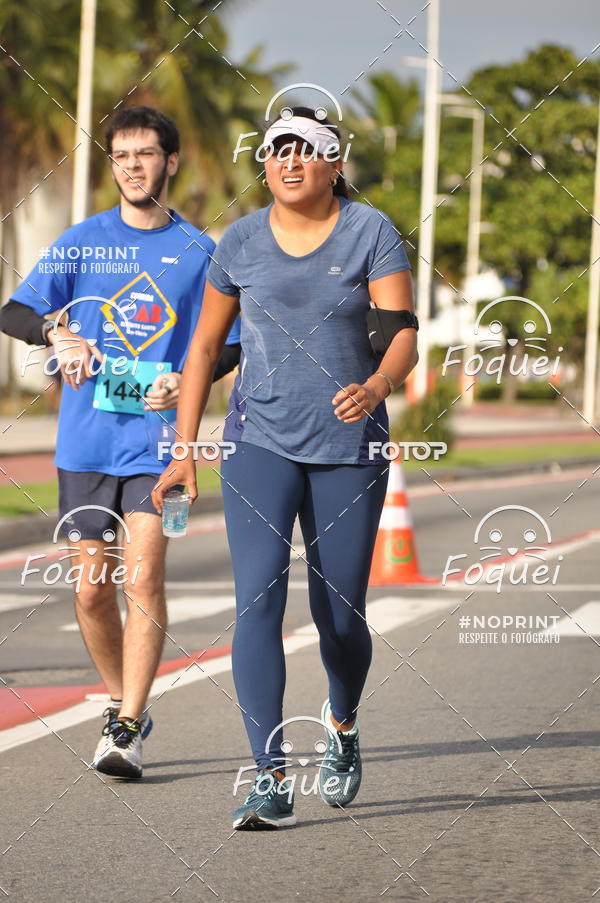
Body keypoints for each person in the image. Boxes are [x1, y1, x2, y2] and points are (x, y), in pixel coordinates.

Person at [152, 106, 418, 827]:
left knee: (338, 618)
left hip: (347, 449)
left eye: (308, 151)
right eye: (277, 152)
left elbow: (401, 337)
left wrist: (377, 385)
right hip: (257, 442)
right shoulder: (238, 241)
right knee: (257, 600)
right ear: (262, 163)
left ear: (336, 163)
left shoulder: (372, 233)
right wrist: (184, 451)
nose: (290, 163)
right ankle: (269, 775)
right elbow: (203, 350)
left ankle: (342, 720)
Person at [0, 106, 241, 779]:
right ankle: (118, 698)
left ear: (171, 161)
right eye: (122, 155)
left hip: (159, 445)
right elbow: (13, 310)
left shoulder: (200, 252)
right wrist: (54, 333)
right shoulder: (83, 241)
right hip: (84, 444)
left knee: (143, 577)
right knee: (90, 591)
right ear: (113, 165)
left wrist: (184, 378)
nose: (134, 165)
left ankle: (129, 725)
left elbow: (227, 346)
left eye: (146, 153)